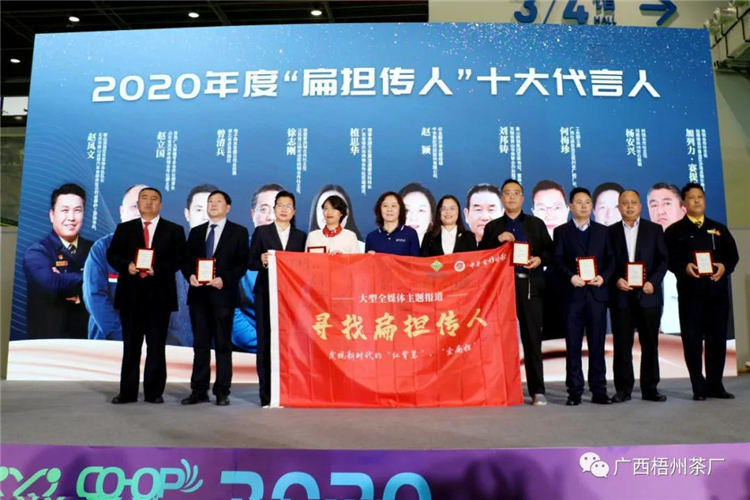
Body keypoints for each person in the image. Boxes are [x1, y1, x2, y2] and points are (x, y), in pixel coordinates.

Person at [107, 187, 186, 404]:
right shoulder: (124, 229)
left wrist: (157, 268)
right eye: (144, 198)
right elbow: (112, 254)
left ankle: (154, 392)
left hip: (160, 297)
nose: (149, 202)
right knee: (131, 346)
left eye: (154, 199)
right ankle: (127, 392)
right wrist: (127, 265)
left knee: (156, 346)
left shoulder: (174, 230)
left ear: (160, 205)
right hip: (131, 297)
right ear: (138, 204)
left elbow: (179, 258)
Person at [480, 179, 553, 406]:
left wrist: (539, 259)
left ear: (522, 198)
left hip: (529, 287)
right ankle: (500, 388)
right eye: (507, 193)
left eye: (516, 193)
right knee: (499, 340)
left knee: (532, 339)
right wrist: (496, 240)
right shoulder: (493, 227)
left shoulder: (535, 224)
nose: (511, 197)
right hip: (501, 290)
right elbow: (480, 255)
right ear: (502, 198)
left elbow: (550, 251)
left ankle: (537, 390)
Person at [665, 183, 739, 401]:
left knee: (717, 340)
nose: (696, 201)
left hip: (717, 295)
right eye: (692, 197)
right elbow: (668, 259)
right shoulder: (675, 231)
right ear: (684, 203)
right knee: (692, 342)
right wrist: (684, 267)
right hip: (691, 295)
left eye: (700, 197)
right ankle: (698, 387)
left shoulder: (718, 228)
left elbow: (732, 255)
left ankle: (716, 385)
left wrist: (724, 266)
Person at [181, 191, 249, 406]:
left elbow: (242, 263)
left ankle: (222, 391)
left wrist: (224, 279)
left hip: (223, 296)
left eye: (218, 201)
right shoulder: (196, 231)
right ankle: (198, 390)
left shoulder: (238, 232)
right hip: (199, 296)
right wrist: (189, 275)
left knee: (223, 345)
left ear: (228, 207)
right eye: (210, 201)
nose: (213, 204)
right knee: (200, 345)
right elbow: (186, 260)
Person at [553, 187, 614, 406]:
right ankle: (575, 391)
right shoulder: (561, 231)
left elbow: (611, 260)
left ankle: (599, 390)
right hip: (573, 296)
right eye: (579, 202)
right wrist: (571, 277)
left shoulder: (603, 231)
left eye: (587, 202)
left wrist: (603, 277)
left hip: (596, 295)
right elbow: (557, 259)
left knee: (597, 345)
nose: (584, 206)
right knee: (573, 346)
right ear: (570, 206)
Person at [608, 190, 668, 403]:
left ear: (640, 206)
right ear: (619, 207)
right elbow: (607, 262)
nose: (629, 206)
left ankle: (650, 388)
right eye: (625, 203)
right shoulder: (610, 232)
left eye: (633, 202)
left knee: (650, 344)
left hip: (648, 294)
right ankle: (623, 389)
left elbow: (663, 260)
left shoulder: (654, 230)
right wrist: (616, 279)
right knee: (622, 345)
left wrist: (653, 282)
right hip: (621, 295)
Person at [248, 190, 306, 407]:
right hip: (265, 294)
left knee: (290, 343)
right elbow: (250, 262)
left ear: (294, 211)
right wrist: (262, 260)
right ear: (274, 209)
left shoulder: (300, 237)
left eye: (288, 206)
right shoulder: (262, 232)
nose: (283, 209)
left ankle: (288, 391)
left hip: (291, 297)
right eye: (280, 205)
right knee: (265, 343)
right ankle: (266, 394)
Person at [23, 183, 93, 339]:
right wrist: (94, 280)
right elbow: (52, 282)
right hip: (48, 342)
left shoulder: (96, 250)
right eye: (64, 210)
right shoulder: (37, 252)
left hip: (88, 343)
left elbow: (113, 289)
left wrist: (70, 287)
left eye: (77, 210)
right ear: (52, 215)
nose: (71, 218)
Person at [84, 184, 146, 341]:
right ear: (122, 212)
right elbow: (94, 296)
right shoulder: (102, 249)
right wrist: (122, 336)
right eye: (135, 206)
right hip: (107, 345)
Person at [233, 183, 284, 353]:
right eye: (263, 209)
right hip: (246, 352)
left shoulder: (298, 248)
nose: (270, 217)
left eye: (276, 209)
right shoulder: (238, 251)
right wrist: (265, 346)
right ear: (252, 215)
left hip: (291, 352)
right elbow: (231, 311)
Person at [647, 182, 687, 335]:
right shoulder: (642, 251)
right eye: (654, 205)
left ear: (683, 210)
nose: (660, 211)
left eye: (667, 203)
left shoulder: (697, 246)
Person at [532, 180, 569, 341]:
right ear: (533, 212)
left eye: (556, 207)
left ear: (567, 209)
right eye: (542, 208)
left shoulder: (579, 245)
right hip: (540, 324)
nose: (549, 214)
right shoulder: (529, 248)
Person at [365, 192, 420, 256]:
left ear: (400, 209)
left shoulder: (410, 234)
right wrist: (370, 257)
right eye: (385, 206)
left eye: (393, 206)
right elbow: (366, 261)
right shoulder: (371, 237)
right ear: (379, 209)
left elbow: (416, 261)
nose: (389, 209)